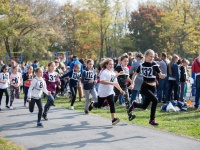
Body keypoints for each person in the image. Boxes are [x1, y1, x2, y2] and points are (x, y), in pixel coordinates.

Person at [128, 49, 166, 126]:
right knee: (155, 100)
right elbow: (134, 74)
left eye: (153, 56)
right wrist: (132, 83)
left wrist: (162, 76)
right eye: (150, 56)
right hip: (145, 87)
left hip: (153, 87)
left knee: (144, 106)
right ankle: (152, 120)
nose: (152, 58)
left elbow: (160, 74)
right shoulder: (141, 65)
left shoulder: (154, 64)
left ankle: (134, 104)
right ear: (146, 56)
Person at [88, 58, 125, 125]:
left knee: (112, 103)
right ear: (106, 65)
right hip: (103, 91)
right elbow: (102, 81)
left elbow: (116, 83)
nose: (111, 65)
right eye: (110, 64)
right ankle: (92, 104)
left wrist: (121, 90)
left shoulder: (113, 73)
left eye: (112, 64)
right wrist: (111, 83)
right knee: (99, 105)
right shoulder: (104, 72)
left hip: (110, 91)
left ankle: (114, 119)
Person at [114, 55, 135, 121]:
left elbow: (127, 77)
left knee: (127, 100)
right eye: (124, 61)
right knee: (114, 100)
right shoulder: (118, 67)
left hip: (124, 86)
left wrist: (132, 82)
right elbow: (114, 74)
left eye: (127, 61)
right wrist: (119, 73)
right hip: (117, 86)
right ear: (121, 61)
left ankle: (130, 115)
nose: (126, 62)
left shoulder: (127, 68)